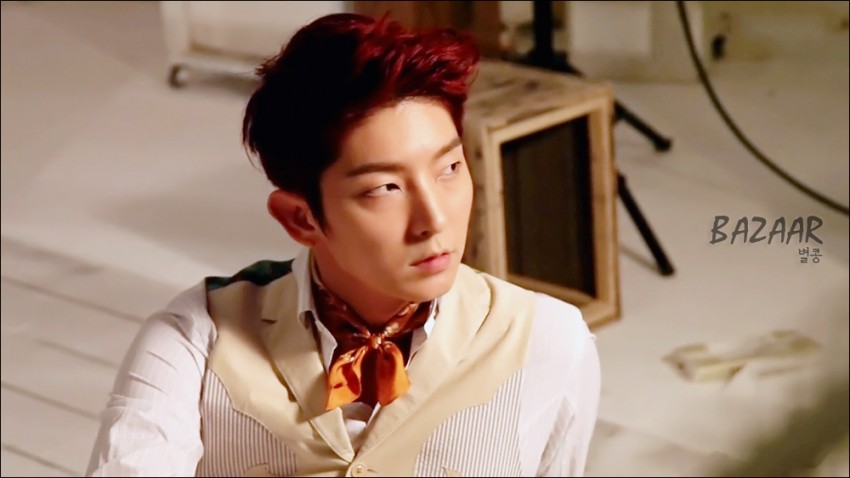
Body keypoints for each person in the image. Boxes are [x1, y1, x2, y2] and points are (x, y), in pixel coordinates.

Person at [86, 12, 600, 477]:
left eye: (449, 168)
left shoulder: (549, 341)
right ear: (300, 218)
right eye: (385, 188)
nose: (435, 219)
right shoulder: (195, 340)